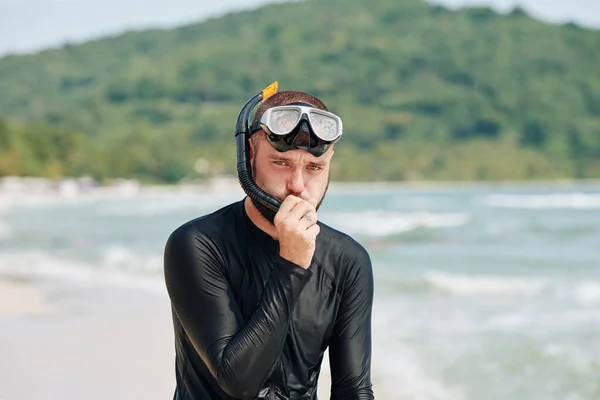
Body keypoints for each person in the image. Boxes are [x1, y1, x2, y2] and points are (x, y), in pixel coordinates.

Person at [163, 83, 375, 400]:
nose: (298, 186)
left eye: (314, 168)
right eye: (280, 163)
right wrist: (292, 265)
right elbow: (237, 381)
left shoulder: (347, 260)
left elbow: (353, 389)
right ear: (249, 156)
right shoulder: (197, 244)